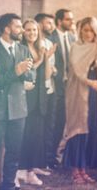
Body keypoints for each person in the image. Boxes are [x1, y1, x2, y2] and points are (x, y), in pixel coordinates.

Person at [0, 13, 35, 190]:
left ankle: (8, 186)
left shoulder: (23, 49)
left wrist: (22, 72)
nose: (21, 30)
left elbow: (31, 75)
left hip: (19, 109)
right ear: (7, 29)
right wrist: (16, 72)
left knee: (14, 153)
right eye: (18, 27)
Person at [62, 17, 97, 184]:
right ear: (80, 30)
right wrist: (92, 84)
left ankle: (84, 168)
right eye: (85, 30)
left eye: (92, 30)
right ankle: (75, 169)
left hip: (94, 94)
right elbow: (78, 71)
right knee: (78, 130)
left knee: (89, 130)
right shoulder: (76, 47)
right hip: (79, 93)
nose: (88, 34)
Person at [18, 19, 53, 185]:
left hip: (39, 96)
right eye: (28, 30)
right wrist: (41, 60)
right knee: (25, 134)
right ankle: (22, 170)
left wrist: (47, 59)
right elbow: (28, 72)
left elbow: (45, 75)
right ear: (23, 32)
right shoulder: (21, 48)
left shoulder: (39, 48)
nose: (32, 33)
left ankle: (30, 170)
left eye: (34, 30)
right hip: (26, 96)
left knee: (36, 135)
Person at [47, 8, 75, 166]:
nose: (71, 22)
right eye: (68, 19)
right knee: (53, 123)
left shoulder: (72, 38)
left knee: (63, 122)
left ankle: (58, 156)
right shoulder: (51, 38)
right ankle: (48, 157)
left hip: (69, 87)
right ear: (59, 21)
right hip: (55, 86)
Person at [34, 13, 56, 170]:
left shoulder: (49, 42)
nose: (52, 26)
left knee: (49, 126)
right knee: (39, 128)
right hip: (38, 90)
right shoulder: (36, 44)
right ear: (40, 24)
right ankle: (36, 162)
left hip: (51, 87)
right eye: (48, 23)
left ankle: (45, 160)